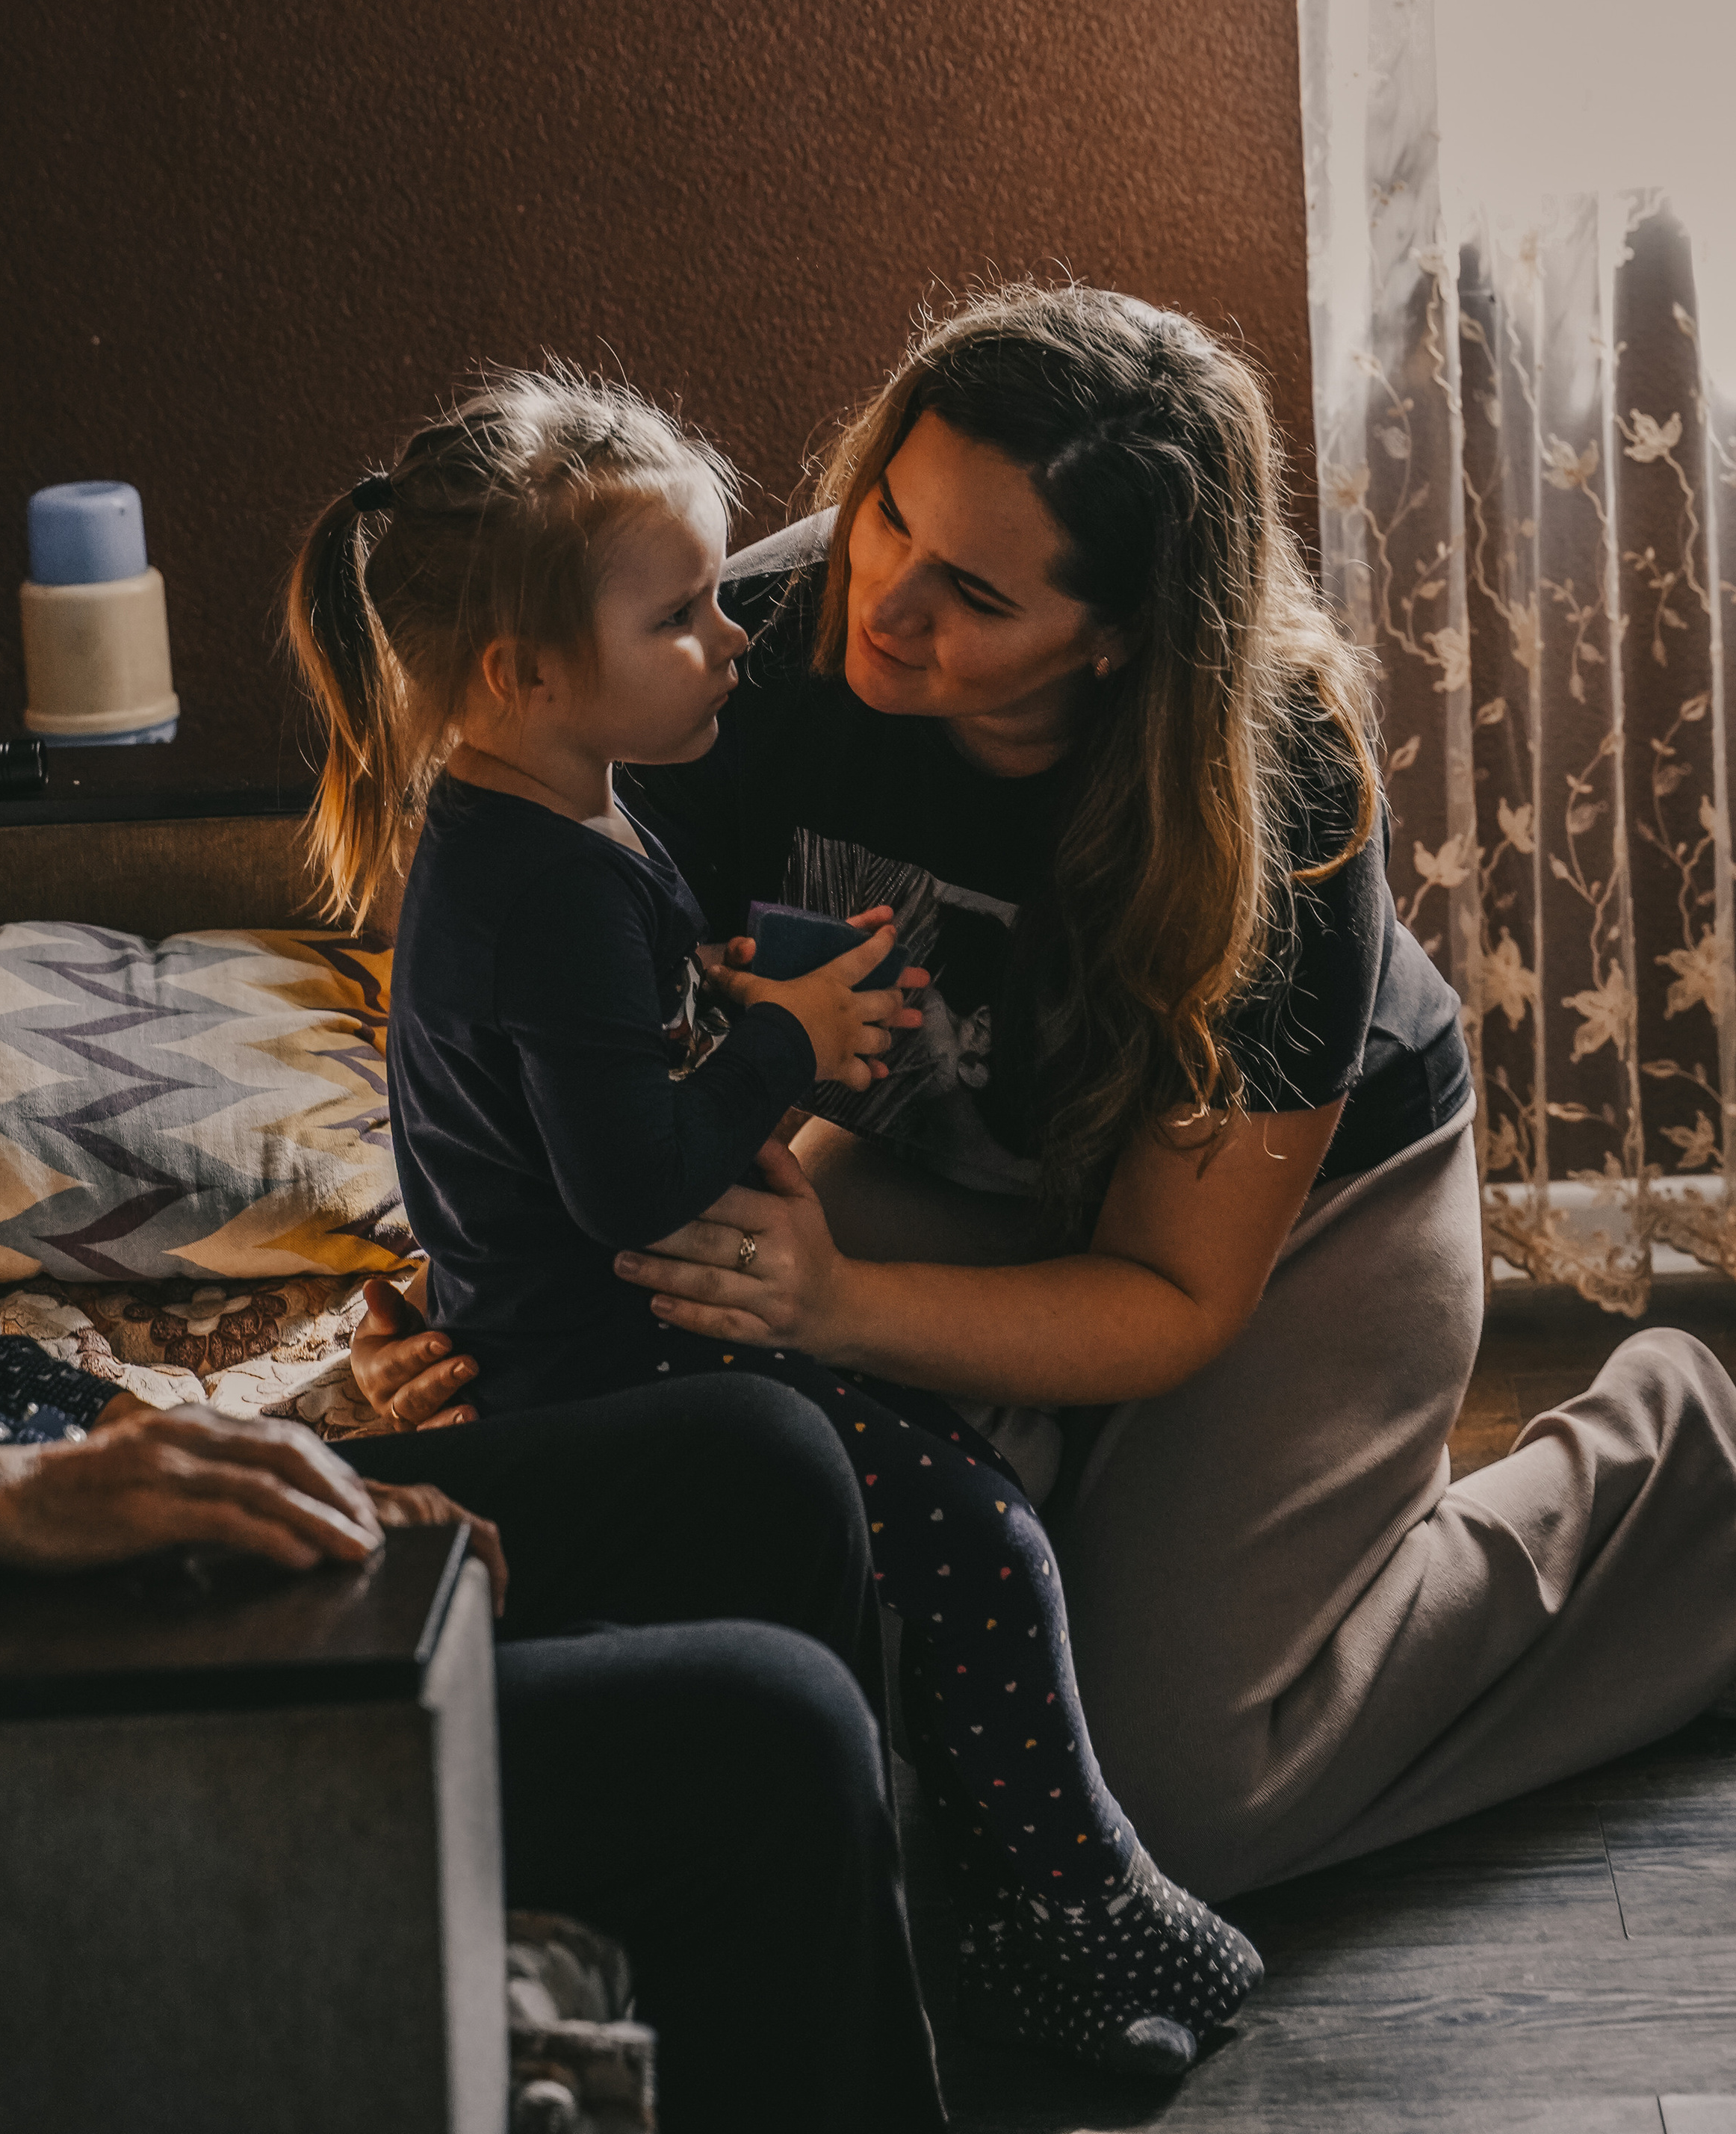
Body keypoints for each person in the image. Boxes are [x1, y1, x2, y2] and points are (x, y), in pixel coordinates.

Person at [355, 282, 1736, 1904]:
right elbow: (585, 1050)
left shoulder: (1279, 781)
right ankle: (1070, 1493)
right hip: (954, 1154)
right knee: (788, 1535)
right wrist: (470, 1287)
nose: (879, 601)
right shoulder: (728, 661)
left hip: (1282, 1220)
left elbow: (1171, 1290)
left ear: (1115, 634)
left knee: (1187, 1793)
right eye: (885, 512)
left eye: (973, 592)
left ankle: (1681, 1474)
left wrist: (841, 1304)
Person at [285, 373, 1265, 2079]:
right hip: (613, 1348)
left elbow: (586, 1060)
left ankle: (969, 1876)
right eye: (681, 617)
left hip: (678, 1295)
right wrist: (784, 1045)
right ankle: (1069, 1901)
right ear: (524, 674)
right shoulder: (550, 878)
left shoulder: (562, 802)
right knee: (977, 1543)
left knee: (964, 1507)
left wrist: (738, 1003)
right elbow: (630, 1184)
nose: (738, 632)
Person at [0, 1240, 944, 2134]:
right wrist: (14, 1499)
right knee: (765, 1733)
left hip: (18, 1510)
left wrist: (188, 1457)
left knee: (758, 1466)